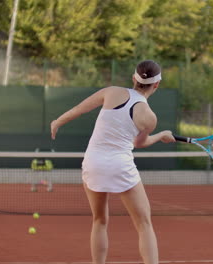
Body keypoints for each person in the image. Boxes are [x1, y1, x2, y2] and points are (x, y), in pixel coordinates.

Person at [50, 60, 175, 264]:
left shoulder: (111, 92)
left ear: (133, 78)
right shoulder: (150, 117)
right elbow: (140, 143)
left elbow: (80, 109)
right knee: (144, 224)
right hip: (120, 166)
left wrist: (57, 121)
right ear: (157, 85)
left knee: (99, 220)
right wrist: (162, 135)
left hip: (93, 163)